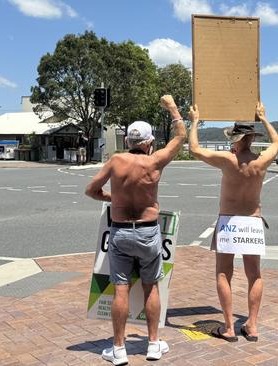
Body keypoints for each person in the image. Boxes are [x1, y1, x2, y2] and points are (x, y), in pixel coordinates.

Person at [85, 95, 187, 365]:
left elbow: (90, 190)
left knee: (120, 289)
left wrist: (111, 199)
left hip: (120, 231)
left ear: (128, 142)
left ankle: (119, 349)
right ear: (149, 142)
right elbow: (181, 137)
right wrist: (172, 108)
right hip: (147, 231)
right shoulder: (154, 163)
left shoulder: (116, 161)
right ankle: (153, 344)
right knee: (151, 287)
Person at [188, 102, 278, 343]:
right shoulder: (261, 162)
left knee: (223, 273)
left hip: (229, 221)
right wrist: (264, 118)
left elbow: (195, 149)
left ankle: (229, 327)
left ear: (238, 139)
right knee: (255, 274)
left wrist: (195, 121)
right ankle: (252, 325)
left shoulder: (228, 160)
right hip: (252, 221)